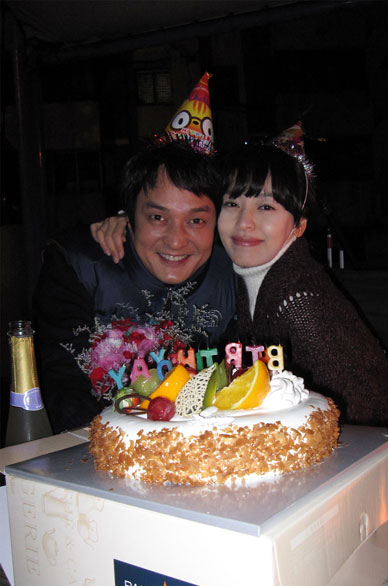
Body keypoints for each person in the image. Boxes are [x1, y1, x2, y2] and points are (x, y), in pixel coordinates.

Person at [91, 137, 388, 560]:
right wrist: (126, 222)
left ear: (300, 225)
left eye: (267, 207)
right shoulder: (251, 274)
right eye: (233, 203)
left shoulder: (301, 305)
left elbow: (358, 426)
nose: (245, 223)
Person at [34, 141, 236, 434]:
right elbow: (59, 382)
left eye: (196, 220)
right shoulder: (79, 265)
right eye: (158, 218)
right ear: (128, 218)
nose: (176, 241)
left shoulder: (233, 274)